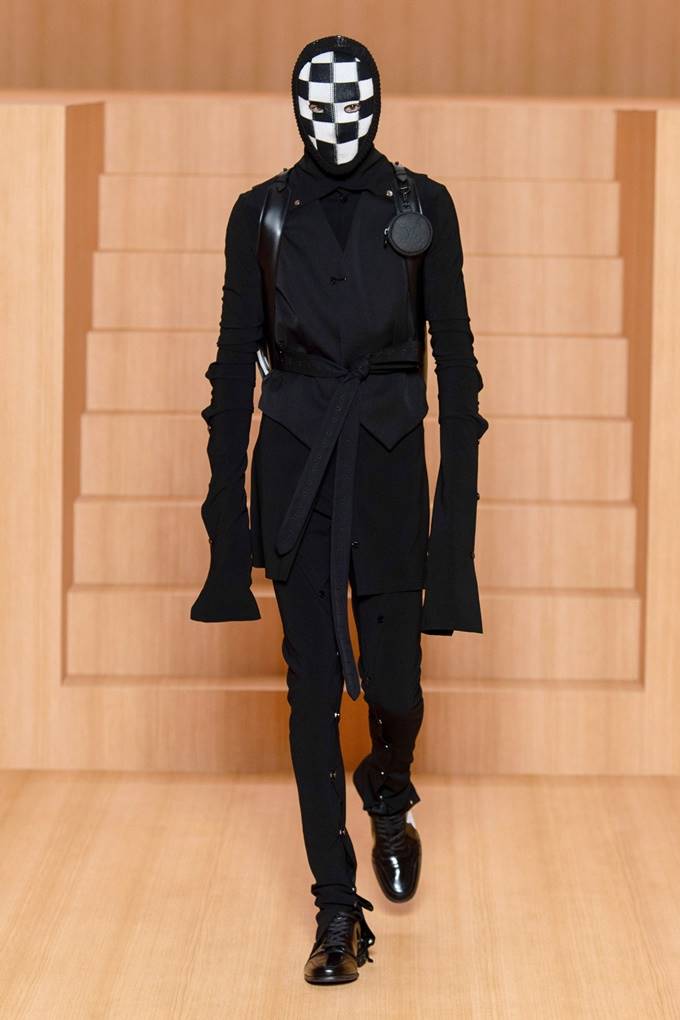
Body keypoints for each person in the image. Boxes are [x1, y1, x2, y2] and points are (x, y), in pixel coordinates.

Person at [190, 33, 489, 985]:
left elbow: (459, 361)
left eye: (353, 101)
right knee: (310, 687)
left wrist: (456, 522)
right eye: (320, 103)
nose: (337, 119)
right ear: (297, 109)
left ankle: (388, 788)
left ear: (377, 104)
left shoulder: (422, 207)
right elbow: (232, 366)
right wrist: (226, 519)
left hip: (391, 470)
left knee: (396, 682)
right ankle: (335, 908)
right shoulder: (261, 213)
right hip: (298, 471)